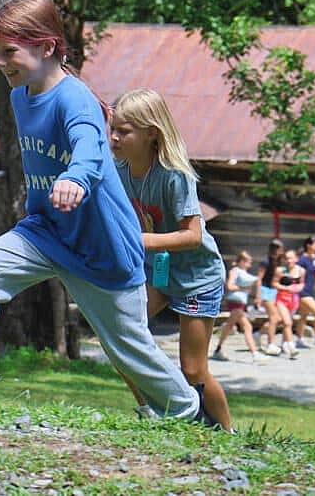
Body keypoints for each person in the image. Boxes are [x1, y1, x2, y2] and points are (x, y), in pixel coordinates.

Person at [0, 0, 221, 428]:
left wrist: (74, 177)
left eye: (9, 51)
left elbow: (89, 146)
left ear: (47, 47)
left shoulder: (77, 100)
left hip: (102, 246)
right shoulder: (20, 95)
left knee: (126, 346)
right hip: (45, 230)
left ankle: (188, 413)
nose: (0, 62)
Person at [110, 87, 231, 431]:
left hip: (197, 277)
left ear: (151, 133)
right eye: (113, 129)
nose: (115, 137)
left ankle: (226, 433)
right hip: (159, 272)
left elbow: (193, 235)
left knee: (193, 369)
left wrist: (139, 240)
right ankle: (155, 411)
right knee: (122, 339)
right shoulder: (119, 169)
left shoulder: (174, 174)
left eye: (124, 131)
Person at [211, 250, 267, 365]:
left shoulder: (243, 272)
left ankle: (218, 349)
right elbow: (230, 286)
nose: (250, 265)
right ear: (241, 261)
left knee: (229, 326)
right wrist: (242, 289)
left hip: (240, 303)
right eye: (248, 262)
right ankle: (254, 353)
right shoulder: (235, 271)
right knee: (247, 326)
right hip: (235, 302)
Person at [254, 239, 286, 356]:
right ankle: (270, 343)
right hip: (265, 290)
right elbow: (259, 279)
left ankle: (258, 334)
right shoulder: (265, 261)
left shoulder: (277, 261)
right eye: (280, 249)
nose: (282, 251)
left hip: (273, 290)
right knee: (273, 317)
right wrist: (258, 296)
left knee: (277, 319)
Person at [271, 249, 304, 360]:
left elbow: (302, 283)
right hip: (282, 299)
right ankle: (292, 346)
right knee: (287, 322)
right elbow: (274, 283)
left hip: (293, 300)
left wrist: (298, 288)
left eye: (291, 258)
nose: (289, 260)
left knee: (286, 323)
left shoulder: (301, 271)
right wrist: (286, 288)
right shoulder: (280, 270)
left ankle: (284, 343)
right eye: (287, 258)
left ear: (296, 259)